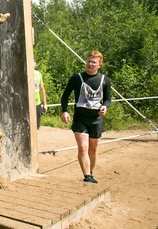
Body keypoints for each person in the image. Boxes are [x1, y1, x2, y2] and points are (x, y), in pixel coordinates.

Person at [60, 51, 111, 184]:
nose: (90, 64)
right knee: (83, 147)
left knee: (93, 149)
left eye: (93, 62)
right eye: (88, 61)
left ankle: (90, 171)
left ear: (99, 64)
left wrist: (105, 107)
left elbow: (108, 100)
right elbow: (65, 96)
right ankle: (87, 176)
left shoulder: (104, 80)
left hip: (96, 119)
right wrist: (64, 111)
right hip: (80, 118)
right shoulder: (77, 78)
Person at [33, 59, 48, 130]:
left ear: (35, 64)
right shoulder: (24, 73)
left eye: (33, 62)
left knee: (37, 126)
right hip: (27, 103)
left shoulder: (38, 74)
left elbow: (42, 89)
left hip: (37, 103)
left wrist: (45, 104)